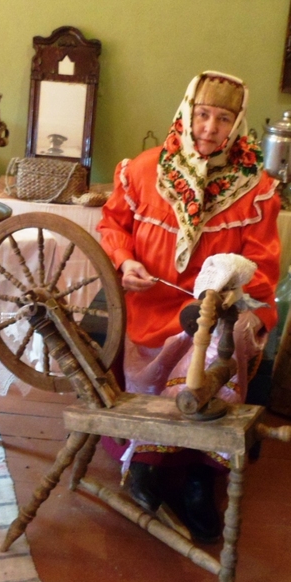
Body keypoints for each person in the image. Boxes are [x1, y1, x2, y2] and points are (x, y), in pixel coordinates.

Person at [96, 71, 281, 543]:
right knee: (171, 355)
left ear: (238, 124)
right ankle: (148, 461)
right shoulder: (143, 170)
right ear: (186, 113)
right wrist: (125, 261)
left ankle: (201, 472)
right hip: (151, 305)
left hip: (217, 313)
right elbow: (112, 225)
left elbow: (263, 267)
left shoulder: (255, 188)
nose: (210, 128)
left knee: (225, 345)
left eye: (223, 119)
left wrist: (227, 294)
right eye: (202, 115)